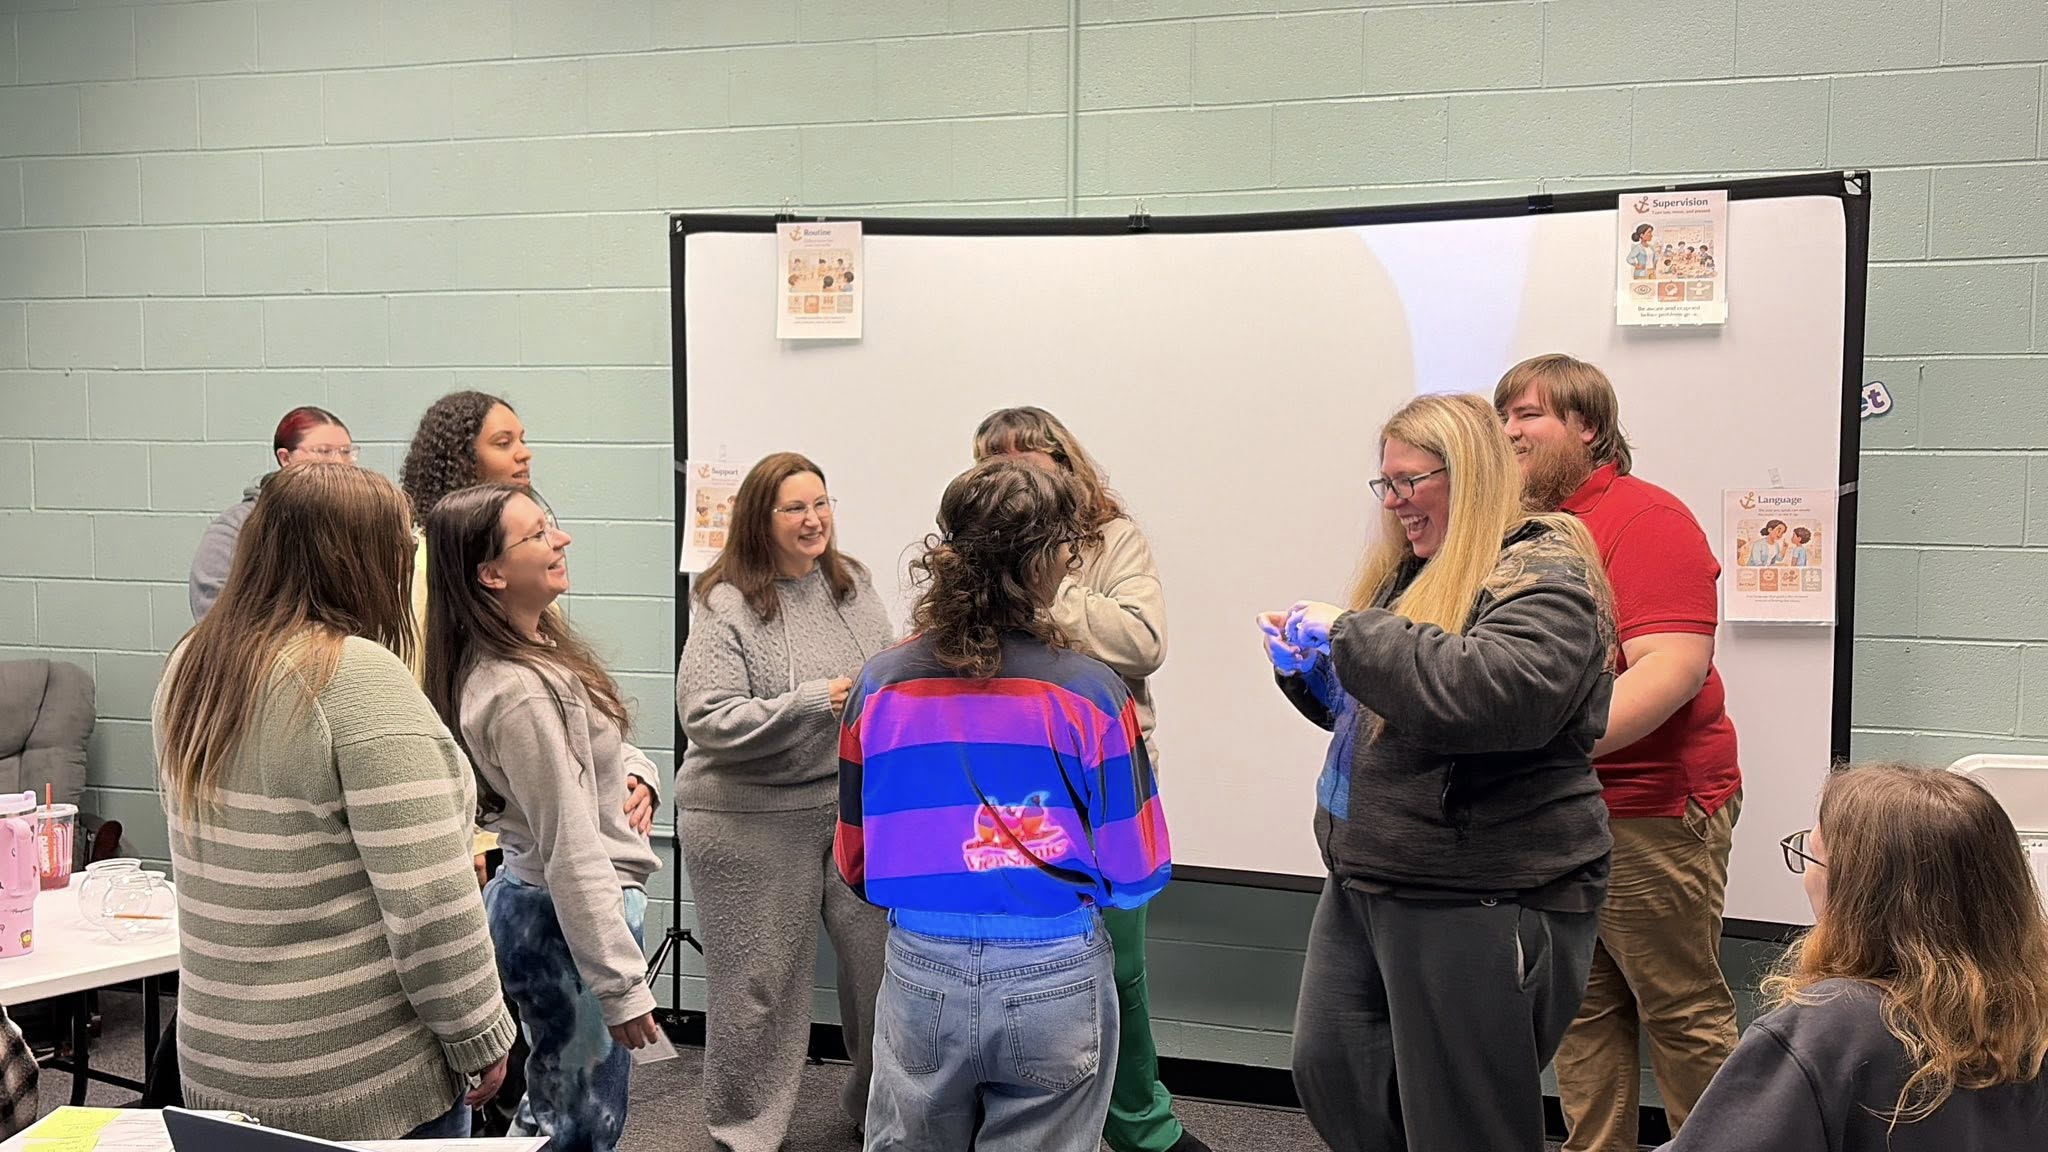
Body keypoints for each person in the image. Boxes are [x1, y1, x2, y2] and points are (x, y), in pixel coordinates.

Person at [1260, 391, 1615, 1152]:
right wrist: (1310, 670)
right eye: (1385, 484)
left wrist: (1351, 634)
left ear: (1471, 474)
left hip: (1478, 889)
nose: (1393, 503)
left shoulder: (1543, 572)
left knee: (1464, 1123)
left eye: (1409, 482)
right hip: (1371, 876)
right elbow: (1393, 712)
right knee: (1336, 1075)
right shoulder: (1418, 569)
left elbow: (1498, 697)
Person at [151, 464, 514, 1141]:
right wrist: (479, 1031)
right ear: (361, 558)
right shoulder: (355, 677)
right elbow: (428, 902)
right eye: (400, 548)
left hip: (219, 1062)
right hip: (355, 1073)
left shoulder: (191, 664)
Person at [837, 458, 1173, 1152]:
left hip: (921, 966)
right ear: (1051, 562)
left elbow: (855, 860)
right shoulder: (1094, 694)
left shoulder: (879, 686)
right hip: (1054, 968)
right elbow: (1137, 869)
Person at [1496, 354, 1744, 1152]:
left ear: (1588, 427)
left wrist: (1543, 745)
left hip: (1646, 808)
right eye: (1503, 416)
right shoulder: (1517, 530)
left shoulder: (1646, 519)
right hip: (1553, 808)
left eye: (1529, 414)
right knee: (1579, 1007)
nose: (1509, 431)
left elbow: (1671, 671)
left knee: (1678, 1009)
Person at [970, 407, 1205, 1152]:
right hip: (1003, 784)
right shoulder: (972, 542)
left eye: (1025, 457)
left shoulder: (1113, 539)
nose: (1010, 471)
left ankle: (1140, 1126)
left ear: (1064, 462)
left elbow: (1142, 641)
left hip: (1100, 785)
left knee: (1119, 968)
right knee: (1005, 964)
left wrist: (1044, 582)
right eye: (992, 461)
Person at [423, 484, 663, 1152]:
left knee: (553, 1109)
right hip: (566, 921)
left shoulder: (538, 649)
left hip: (562, 915)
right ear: (491, 574)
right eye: (536, 535)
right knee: (576, 1130)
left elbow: (593, 751)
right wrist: (620, 985)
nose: (561, 539)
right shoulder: (520, 691)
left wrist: (637, 772)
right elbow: (569, 846)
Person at [675, 452, 893, 1150]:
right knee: (759, 988)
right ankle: (744, 1132)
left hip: (845, 806)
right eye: (795, 508)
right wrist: (810, 702)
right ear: (759, 520)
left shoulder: (852, 584)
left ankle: (880, 1114)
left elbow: (886, 675)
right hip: (747, 816)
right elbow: (705, 716)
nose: (813, 519)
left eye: (821, 503)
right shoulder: (726, 602)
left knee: (884, 972)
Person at [1660, 763, 2048, 1150]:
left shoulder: (1833, 1028)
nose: (1806, 877)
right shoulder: (2033, 1021)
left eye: (1813, 858)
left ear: (1860, 895)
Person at [187, 405, 355, 620]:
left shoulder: (351, 523)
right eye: (324, 451)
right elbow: (213, 610)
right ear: (285, 458)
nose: (339, 462)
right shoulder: (236, 526)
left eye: (346, 452)